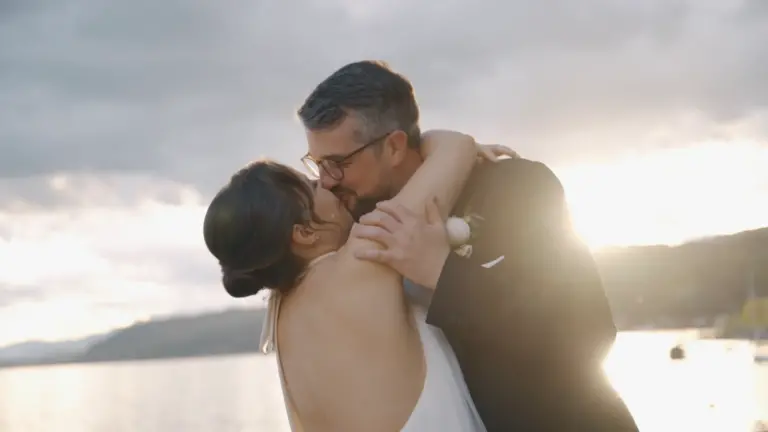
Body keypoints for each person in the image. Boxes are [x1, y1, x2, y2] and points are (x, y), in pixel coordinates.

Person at [298, 60, 639, 431]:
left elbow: (587, 331)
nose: (328, 182)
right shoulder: (357, 230)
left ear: (394, 147)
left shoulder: (515, 188)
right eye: (318, 165)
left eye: (337, 163)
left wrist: (443, 272)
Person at [204, 130, 514, 431]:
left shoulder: (283, 310)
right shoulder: (361, 264)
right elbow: (456, 148)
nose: (327, 184)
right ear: (304, 233)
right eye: (313, 186)